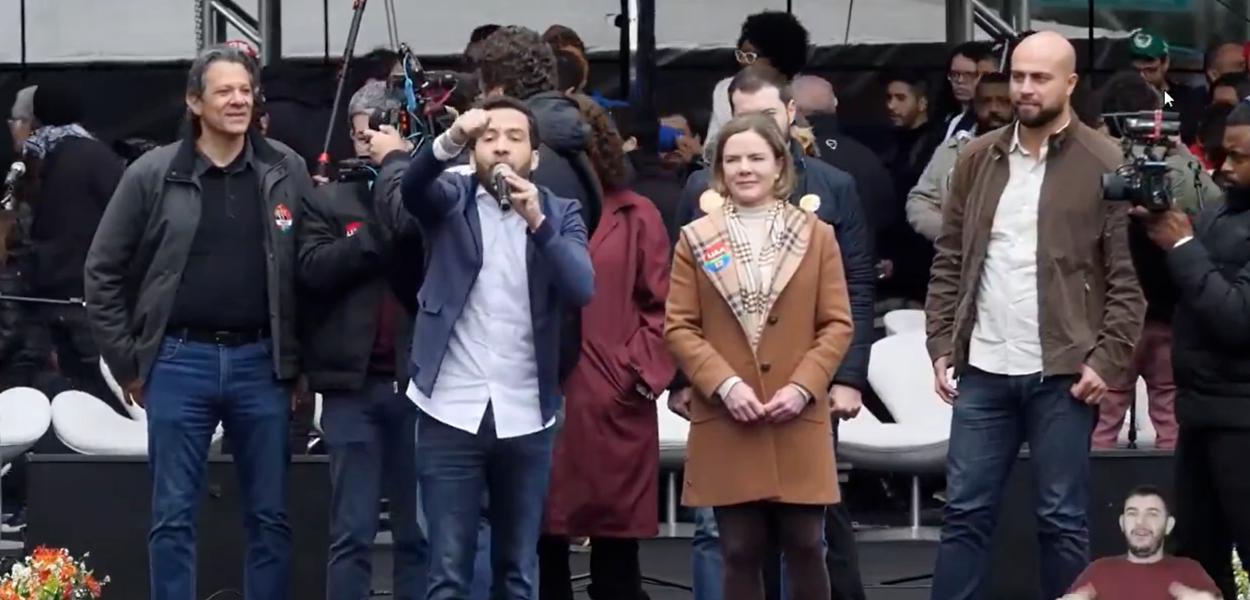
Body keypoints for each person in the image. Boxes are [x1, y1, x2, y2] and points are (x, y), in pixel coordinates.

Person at [83, 45, 314, 600]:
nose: (238, 100)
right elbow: (102, 271)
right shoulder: (152, 173)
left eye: (245, 90)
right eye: (223, 91)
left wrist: (302, 362)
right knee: (172, 517)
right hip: (178, 362)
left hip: (264, 364)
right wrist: (129, 360)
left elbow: (312, 266)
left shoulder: (287, 168)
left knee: (271, 517)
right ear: (194, 101)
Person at [924, 32, 1145, 600]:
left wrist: (1108, 360)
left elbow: (1127, 276)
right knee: (964, 514)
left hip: (1065, 372)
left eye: (1039, 77)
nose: (1024, 88)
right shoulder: (977, 156)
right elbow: (951, 256)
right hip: (983, 366)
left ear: (1070, 83)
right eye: (1018, 76)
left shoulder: (1106, 160)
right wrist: (941, 341)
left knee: (1061, 519)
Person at [671, 64, 873, 600]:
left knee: (807, 542)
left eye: (756, 158)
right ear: (718, 167)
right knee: (737, 548)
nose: (744, 168)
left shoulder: (818, 233)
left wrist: (806, 386)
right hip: (727, 410)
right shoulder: (696, 237)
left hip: (797, 407)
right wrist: (724, 386)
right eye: (732, 159)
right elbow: (680, 325)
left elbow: (837, 321)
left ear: (779, 163)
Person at [398, 97, 593, 600]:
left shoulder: (560, 211)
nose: (501, 146)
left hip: (526, 412)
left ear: (535, 155)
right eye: (489, 138)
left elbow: (581, 287)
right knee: (447, 571)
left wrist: (538, 223)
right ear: (474, 150)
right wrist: (449, 138)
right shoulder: (452, 198)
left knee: (517, 570)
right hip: (449, 409)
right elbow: (412, 188)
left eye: (515, 137)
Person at [538, 93, 677, 600]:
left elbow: (666, 308)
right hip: (543, 399)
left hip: (613, 399)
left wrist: (634, 373)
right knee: (541, 543)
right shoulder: (529, 209)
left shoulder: (638, 215)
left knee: (617, 553)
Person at [297, 80, 427, 600]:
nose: (364, 143)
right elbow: (310, 269)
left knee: (418, 532)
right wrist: (376, 233)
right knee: (350, 532)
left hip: (418, 385)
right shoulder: (327, 199)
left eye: (374, 132)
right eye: (357, 134)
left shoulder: (427, 194)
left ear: (402, 131)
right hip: (350, 387)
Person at [1132, 99, 1250, 600]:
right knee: (1195, 565)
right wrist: (1150, 234)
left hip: (1243, 420)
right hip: (1201, 412)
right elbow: (1172, 296)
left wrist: (1182, 247)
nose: (1223, 167)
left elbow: (1237, 320)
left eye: (1239, 157)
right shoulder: (1221, 210)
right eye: (1222, 153)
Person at [1090, 72, 1222, 451]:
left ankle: (1096, 497)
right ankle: (1170, 498)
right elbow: (1214, 214)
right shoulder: (1184, 169)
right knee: (1168, 413)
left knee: (1106, 412)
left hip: (1117, 316)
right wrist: (1178, 155)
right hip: (1165, 312)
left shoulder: (1099, 165)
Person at [19, 81, 126, 415]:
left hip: (70, 289)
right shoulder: (93, 154)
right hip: (83, 289)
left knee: (90, 388)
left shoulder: (46, 158)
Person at [1060, 486, 1220, 600]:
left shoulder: (1189, 571)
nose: (1140, 522)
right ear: (1122, 523)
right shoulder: (1099, 570)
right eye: (1132, 513)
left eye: (1152, 514)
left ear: (1169, 525)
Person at [907, 72, 1014, 242]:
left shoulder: (1035, 150)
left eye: (1004, 101)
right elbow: (920, 200)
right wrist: (953, 234)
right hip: (959, 259)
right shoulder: (952, 149)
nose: (994, 109)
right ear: (974, 106)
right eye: (986, 101)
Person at [792, 74, 896, 244]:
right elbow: (886, 215)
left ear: (792, 108)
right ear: (835, 103)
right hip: (865, 257)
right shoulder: (865, 156)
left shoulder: (789, 158)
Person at [704, 11, 810, 161]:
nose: (743, 62)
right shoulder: (725, 89)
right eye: (740, 55)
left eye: (751, 57)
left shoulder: (805, 90)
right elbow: (712, 148)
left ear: (779, 58)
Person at [1128, 30, 1204, 144]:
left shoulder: (1186, 99)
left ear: (1165, 63)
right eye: (1136, 71)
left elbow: (1189, 134)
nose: (1142, 77)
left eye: (1150, 70)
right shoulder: (1119, 99)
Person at [935, 42, 1001, 142]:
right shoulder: (948, 119)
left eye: (969, 74)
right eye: (955, 74)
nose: (960, 81)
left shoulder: (998, 120)